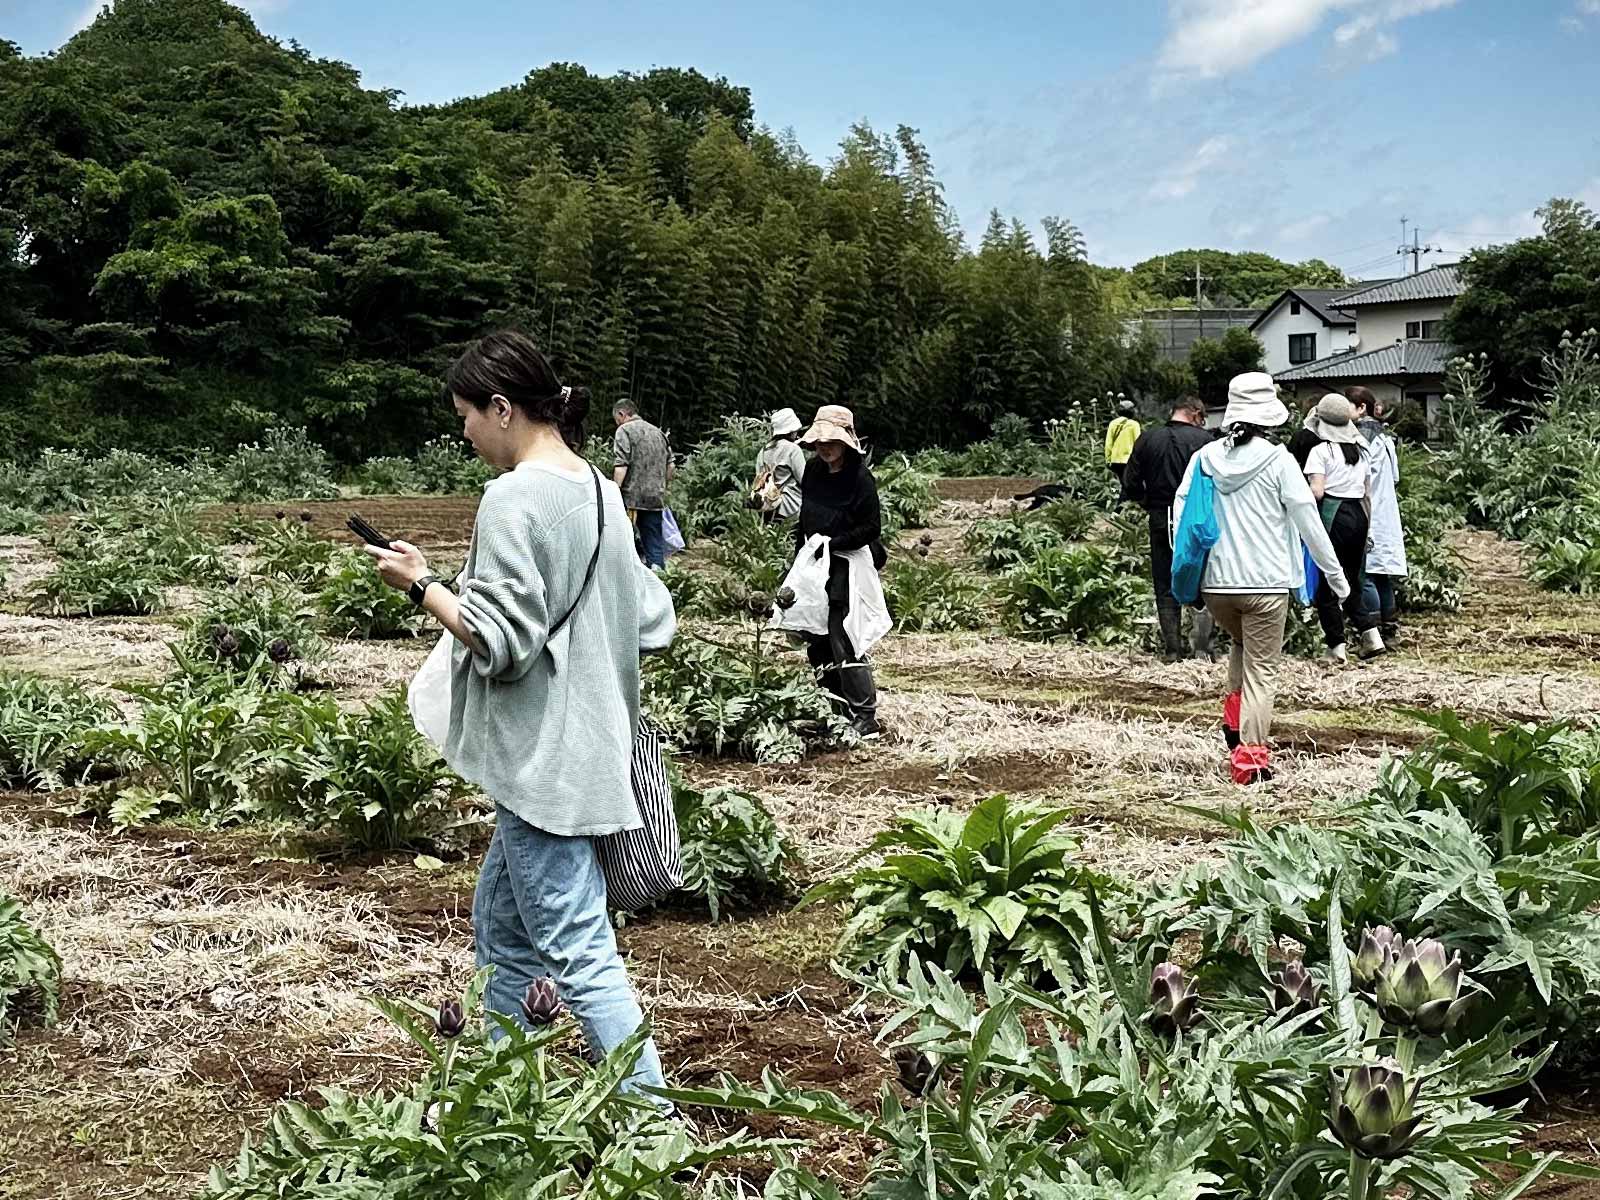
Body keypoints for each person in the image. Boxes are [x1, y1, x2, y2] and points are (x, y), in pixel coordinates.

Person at [362, 330, 674, 1096]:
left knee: (578, 950)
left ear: (503, 408)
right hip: (593, 741)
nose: (463, 431)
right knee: (503, 927)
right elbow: (652, 616)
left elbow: (498, 643)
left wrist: (419, 583)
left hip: (543, 758)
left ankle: (655, 1130)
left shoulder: (514, 497)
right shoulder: (600, 488)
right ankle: (495, 1090)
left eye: (466, 414)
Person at [1174, 372, 1348, 785]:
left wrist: (1188, 573)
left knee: (1240, 644)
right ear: (1268, 416)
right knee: (1262, 670)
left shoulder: (1204, 459)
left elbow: (1179, 516)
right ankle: (1250, 760)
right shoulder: (1278, 459)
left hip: (1216, 585)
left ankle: (1234, 725)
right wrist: (1336, 577)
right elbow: (1308, 519)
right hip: (1266, 585)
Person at [797, 404, 885, 739]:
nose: (824, 447)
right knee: (816, 640)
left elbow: (871, 528)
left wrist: (832, 544)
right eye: (820, 441)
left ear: (847, 442)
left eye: (831, 441)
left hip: (848, 563)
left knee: (843, 635)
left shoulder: (860, 479)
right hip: (815, 563)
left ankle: (864, 714)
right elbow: (805, 519)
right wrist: (799, 562)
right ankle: (832, 709)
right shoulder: (813, 472)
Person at [1120, 394, 1216, 661]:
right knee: (1204, 578)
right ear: (1195, 413)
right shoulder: (1205, 442)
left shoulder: (1148, 439)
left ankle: (1173, 650)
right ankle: (1203, 648)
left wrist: (1148, 503)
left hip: (1161, 516)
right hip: (1197, 520)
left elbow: (1130, 484)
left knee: (1165, 584)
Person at [1302, 393, 1384, 662]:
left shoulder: (1320, 451)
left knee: (1327, 583)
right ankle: (1371, 635)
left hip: (1333, 515)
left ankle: (1336, 647)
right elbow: (1367, 491)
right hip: (1359, 515)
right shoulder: (1361, 449)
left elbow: (1317, 492)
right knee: (1350, 579)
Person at [1347, 386, 1407, 648]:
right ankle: (1390, 629)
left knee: (1367, 575)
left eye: (1347, 405)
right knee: (1382, 574)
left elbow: (1359, 479)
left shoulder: (1361, 438)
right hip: (1386, 512)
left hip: (1369, 510)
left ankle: (1372, 632)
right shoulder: (1385, 437)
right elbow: (1394, 477)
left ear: (1361, 408)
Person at [612, 399, 673, 570]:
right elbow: (671, 467)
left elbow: (621, 465)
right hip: (655, 498)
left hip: (631, 500)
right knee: (654, 545)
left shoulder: (624, 430)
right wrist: (661, 486)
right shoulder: (658, 433)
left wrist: (614, 492)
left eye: (617, 419)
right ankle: (659, 580)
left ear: (622, 414)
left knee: (625, 544)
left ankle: (627, 583)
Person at [751, 407, 807, 521]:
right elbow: (805, 480)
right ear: (790, 430)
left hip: (765, 507)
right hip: (790, 507)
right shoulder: (793, 449)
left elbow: (759, 478)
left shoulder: (763, 450)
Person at [1104, 398, 1141, 480]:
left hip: (1115, 460)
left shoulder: (1113, 423)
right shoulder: (1134, 425)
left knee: (1116, 483)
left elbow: (1108, 443)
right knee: (1128, 484)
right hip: (1129, 460)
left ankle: (1116, 492)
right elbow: (1138, 443)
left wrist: (1108, 460)